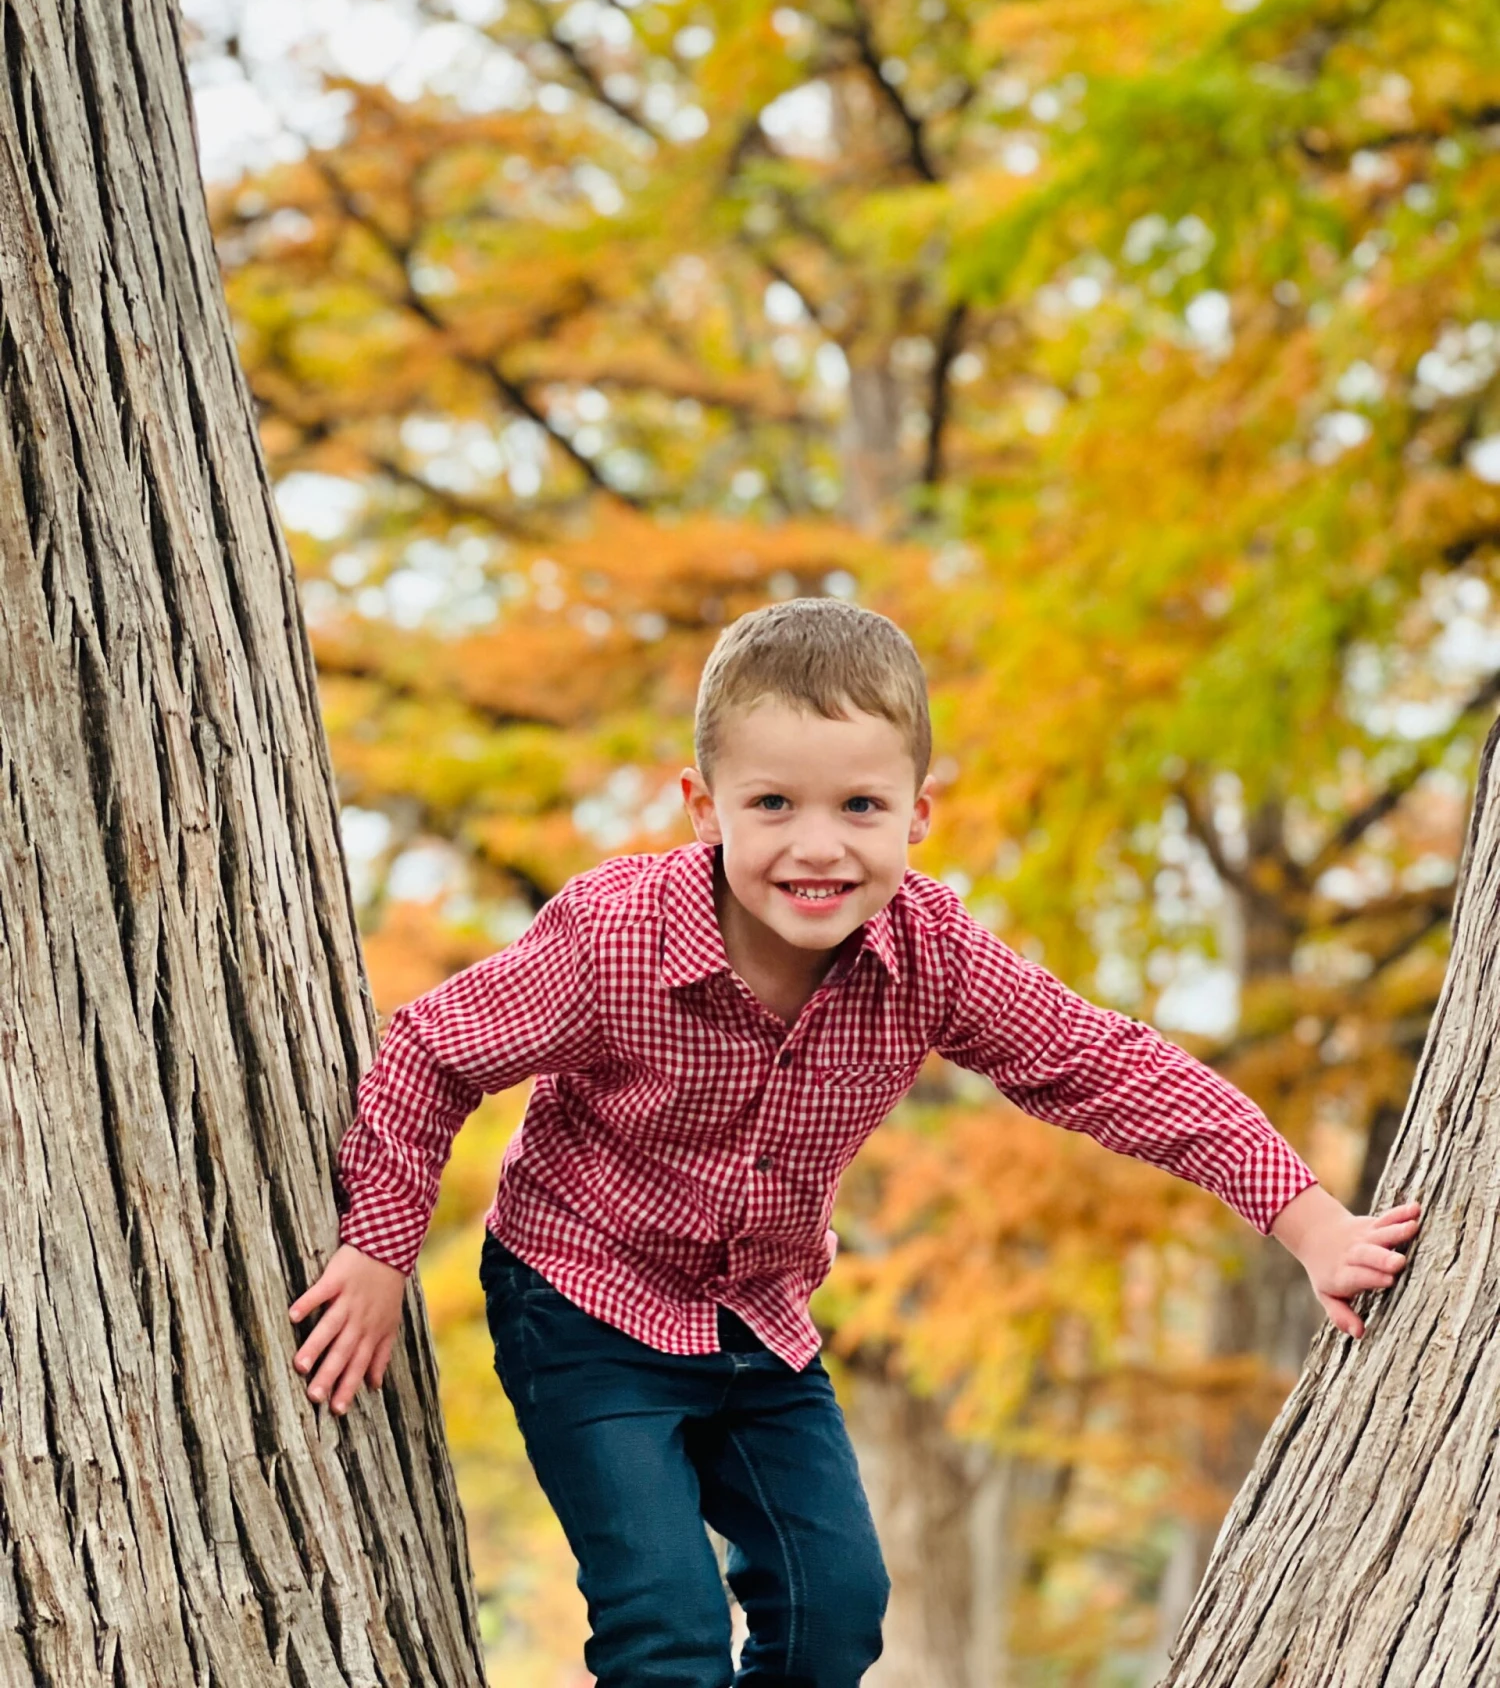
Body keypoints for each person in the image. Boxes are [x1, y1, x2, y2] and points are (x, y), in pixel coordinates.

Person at [288, 598, 1422, 1688]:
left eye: (860, 808)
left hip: (763, 1319)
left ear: (917, 812)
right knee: (666, 1626)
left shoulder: (934, 957)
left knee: (835, 1610)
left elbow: (1111, 1066)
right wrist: (382, 1249)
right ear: (704, 804)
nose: (815, 846)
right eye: (772, 802)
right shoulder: (614, 937)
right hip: (582, 1301)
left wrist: (1310, 1217)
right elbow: (435, 1048)